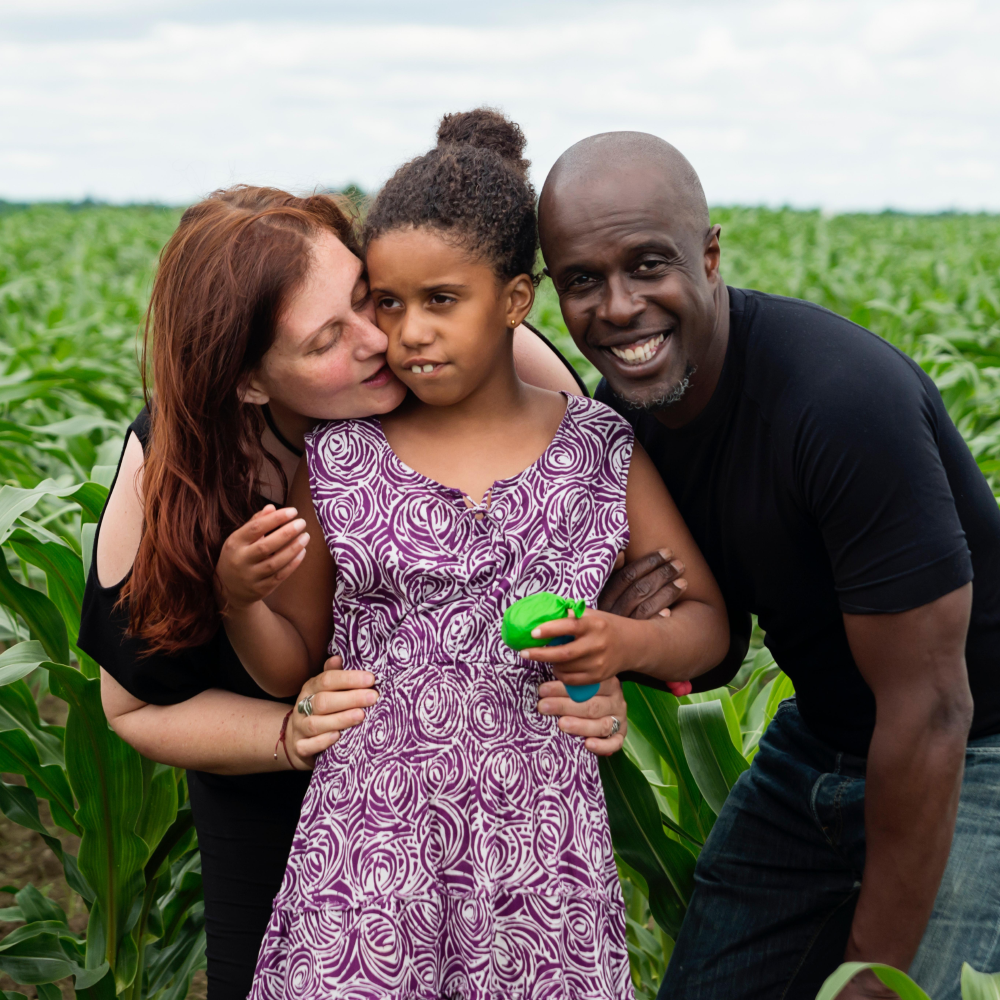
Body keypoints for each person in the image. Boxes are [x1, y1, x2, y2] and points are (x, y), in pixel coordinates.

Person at [78, 184, 676, 1000]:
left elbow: (572, 538)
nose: (379, 340)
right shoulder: (181, 473)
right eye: (329, 337)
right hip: (272, 770)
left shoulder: (506, 362)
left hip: (491, 787)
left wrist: (606, 669)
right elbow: (135, 707)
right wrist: (289, 736)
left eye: (370, 298)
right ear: (252, 383)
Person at [217, 110, 730, 1000]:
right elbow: (287, 668)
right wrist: (239, 599)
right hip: (371, 849)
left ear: (515, 301)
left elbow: (707, 624)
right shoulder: (340, 458)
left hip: (541, 851)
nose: (406, 332)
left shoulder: (599, 448)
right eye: (387, 302)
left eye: (439, 301)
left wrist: (622, 644)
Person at [536, 130, 1000, 1000]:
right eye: (582, 282)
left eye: (648, 265)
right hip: (821, 739)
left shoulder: (838, 403)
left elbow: (933, 707)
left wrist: (874, 973)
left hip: (975, 750)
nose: (619, 306)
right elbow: (714, 649)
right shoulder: (628, 418)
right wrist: (643, 632)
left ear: (710, 256)